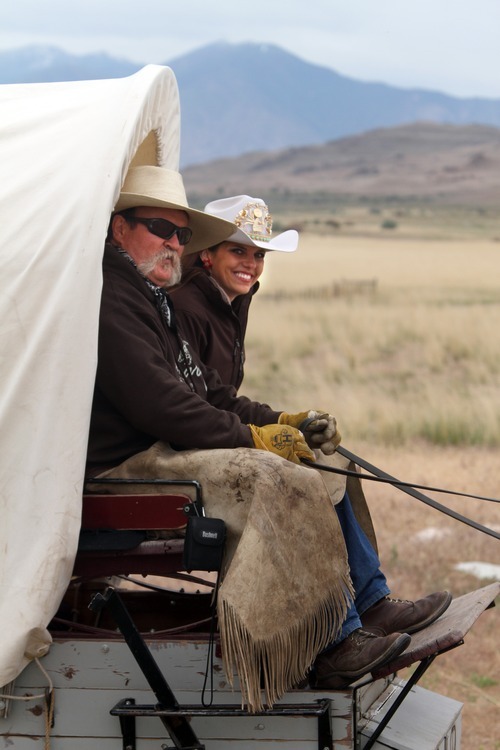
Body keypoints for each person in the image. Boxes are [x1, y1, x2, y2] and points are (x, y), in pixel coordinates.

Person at [86, 165, 451, 710]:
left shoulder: (150, 296)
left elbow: (208, 392)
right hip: (125, 466)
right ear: (119, 228)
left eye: (181, 234)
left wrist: (285, 421)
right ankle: (331, 641)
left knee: (309, 457)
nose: (173, 243)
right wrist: (257, 439)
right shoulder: (114, 296)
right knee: (273, 474)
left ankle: (366, 604)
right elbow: (162, 405)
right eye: (161, 228)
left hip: (157, 450)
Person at [169, 195, 298, 390]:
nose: (251, 264)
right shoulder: (186, 310)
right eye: (238, 251)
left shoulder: (231, 306)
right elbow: (195, 402)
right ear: (206, 254)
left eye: (259, 255)